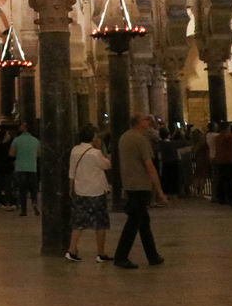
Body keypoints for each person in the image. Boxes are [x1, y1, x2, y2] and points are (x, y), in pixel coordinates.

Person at [113, 113, 167, 269]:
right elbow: (149, 166)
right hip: (140, 185)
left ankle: (153, 256)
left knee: (143, 223)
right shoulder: (140, 140)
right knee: (133, 223)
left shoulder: (124, 137)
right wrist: (159, 190)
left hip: (130, 184)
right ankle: (121, 256)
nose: (149, 121)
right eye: (145, 119)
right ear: (138, 123)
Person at [65, 123, 113, 263]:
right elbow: (107, 165)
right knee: (100, 223)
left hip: (80, 190)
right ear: (93, 137)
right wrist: (100, 150)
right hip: (96, 191)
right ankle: (101, 253)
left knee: (78, 222)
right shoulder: (95, 153)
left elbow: (71, 173)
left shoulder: (74, 150)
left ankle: (72, 250)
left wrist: (71, 189)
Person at [9, 121, 41, 216]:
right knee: (33, 188)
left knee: (22, 190)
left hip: (20, 167)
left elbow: (11, 153)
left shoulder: (16, 140)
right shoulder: (35, 141)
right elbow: (39, 154)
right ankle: (34, 203)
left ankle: (23, 210)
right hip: (32, 168)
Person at [0, 125, 15, 210]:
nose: (9, 135)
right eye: (7, 134)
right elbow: (10, 156)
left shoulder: (5, 145)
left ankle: (4, 202)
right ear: (4, 136)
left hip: (4, 169)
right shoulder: (1, 146)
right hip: (3, 169)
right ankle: (0, 202)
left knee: (5, 186)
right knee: (1, 186)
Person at [213, 123, 232, 206]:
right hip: (228, 160)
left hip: (219, 160)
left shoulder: (217, 138)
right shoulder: (229, 137)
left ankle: (221, 198)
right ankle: (230, 198)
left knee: (221, 180)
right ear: (227, 128)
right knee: (229, 181)